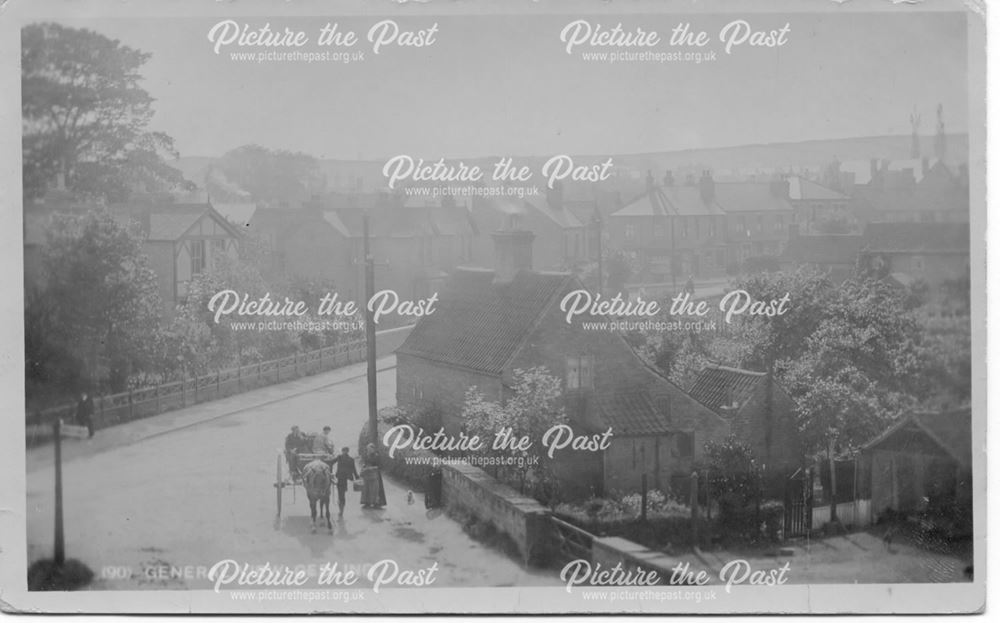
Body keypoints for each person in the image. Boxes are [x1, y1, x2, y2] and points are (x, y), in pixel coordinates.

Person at [330, 447, 359, 517]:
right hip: (345, 479)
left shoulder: (339, 457)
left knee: (341, 494)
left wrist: (329, 471)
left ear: (343, 451)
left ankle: (341, 509)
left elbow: (331, 462)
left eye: (343, 451)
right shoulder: (351, 459)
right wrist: (357, 477)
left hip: (340, 478)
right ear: (348, 451)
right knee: (342, 494)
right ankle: (341, 509)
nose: (343, 452)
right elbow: (354, 469)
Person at [360, 442, 387, 509]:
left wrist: (371, 468)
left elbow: (379, 466)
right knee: (366, 488)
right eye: (367, 449)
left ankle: (377, 503)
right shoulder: (367, 455)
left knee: (376, 489)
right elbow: (365, 463)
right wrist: (364, 467)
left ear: (373, 449)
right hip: (367, 473)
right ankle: (367, 503)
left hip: (375, 474)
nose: (368, 450)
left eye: (369, 449)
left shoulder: (376, 456)